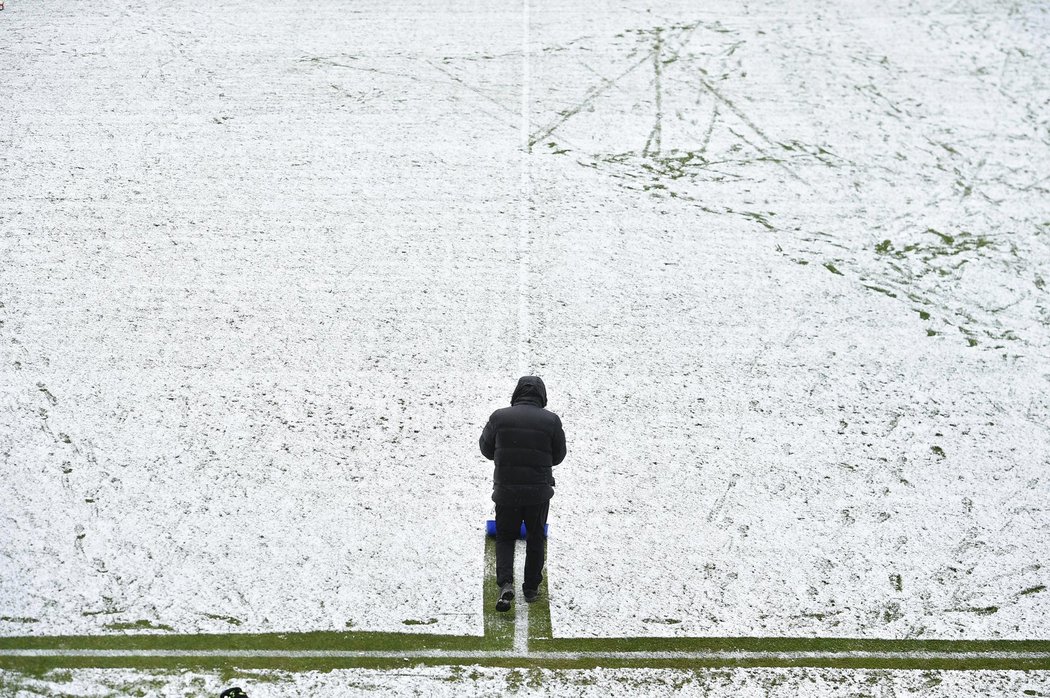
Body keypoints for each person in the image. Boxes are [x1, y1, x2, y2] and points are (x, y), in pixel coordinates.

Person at [479, 376, 567, 612]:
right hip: (538, 492)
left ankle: (506, 583)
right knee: (535, 537)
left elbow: (486, 449)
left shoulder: (499, 417)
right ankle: (530, 588)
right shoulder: (551, 421)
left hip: (506, 490)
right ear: (542, 396)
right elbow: (559, 456)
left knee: (506, 537)